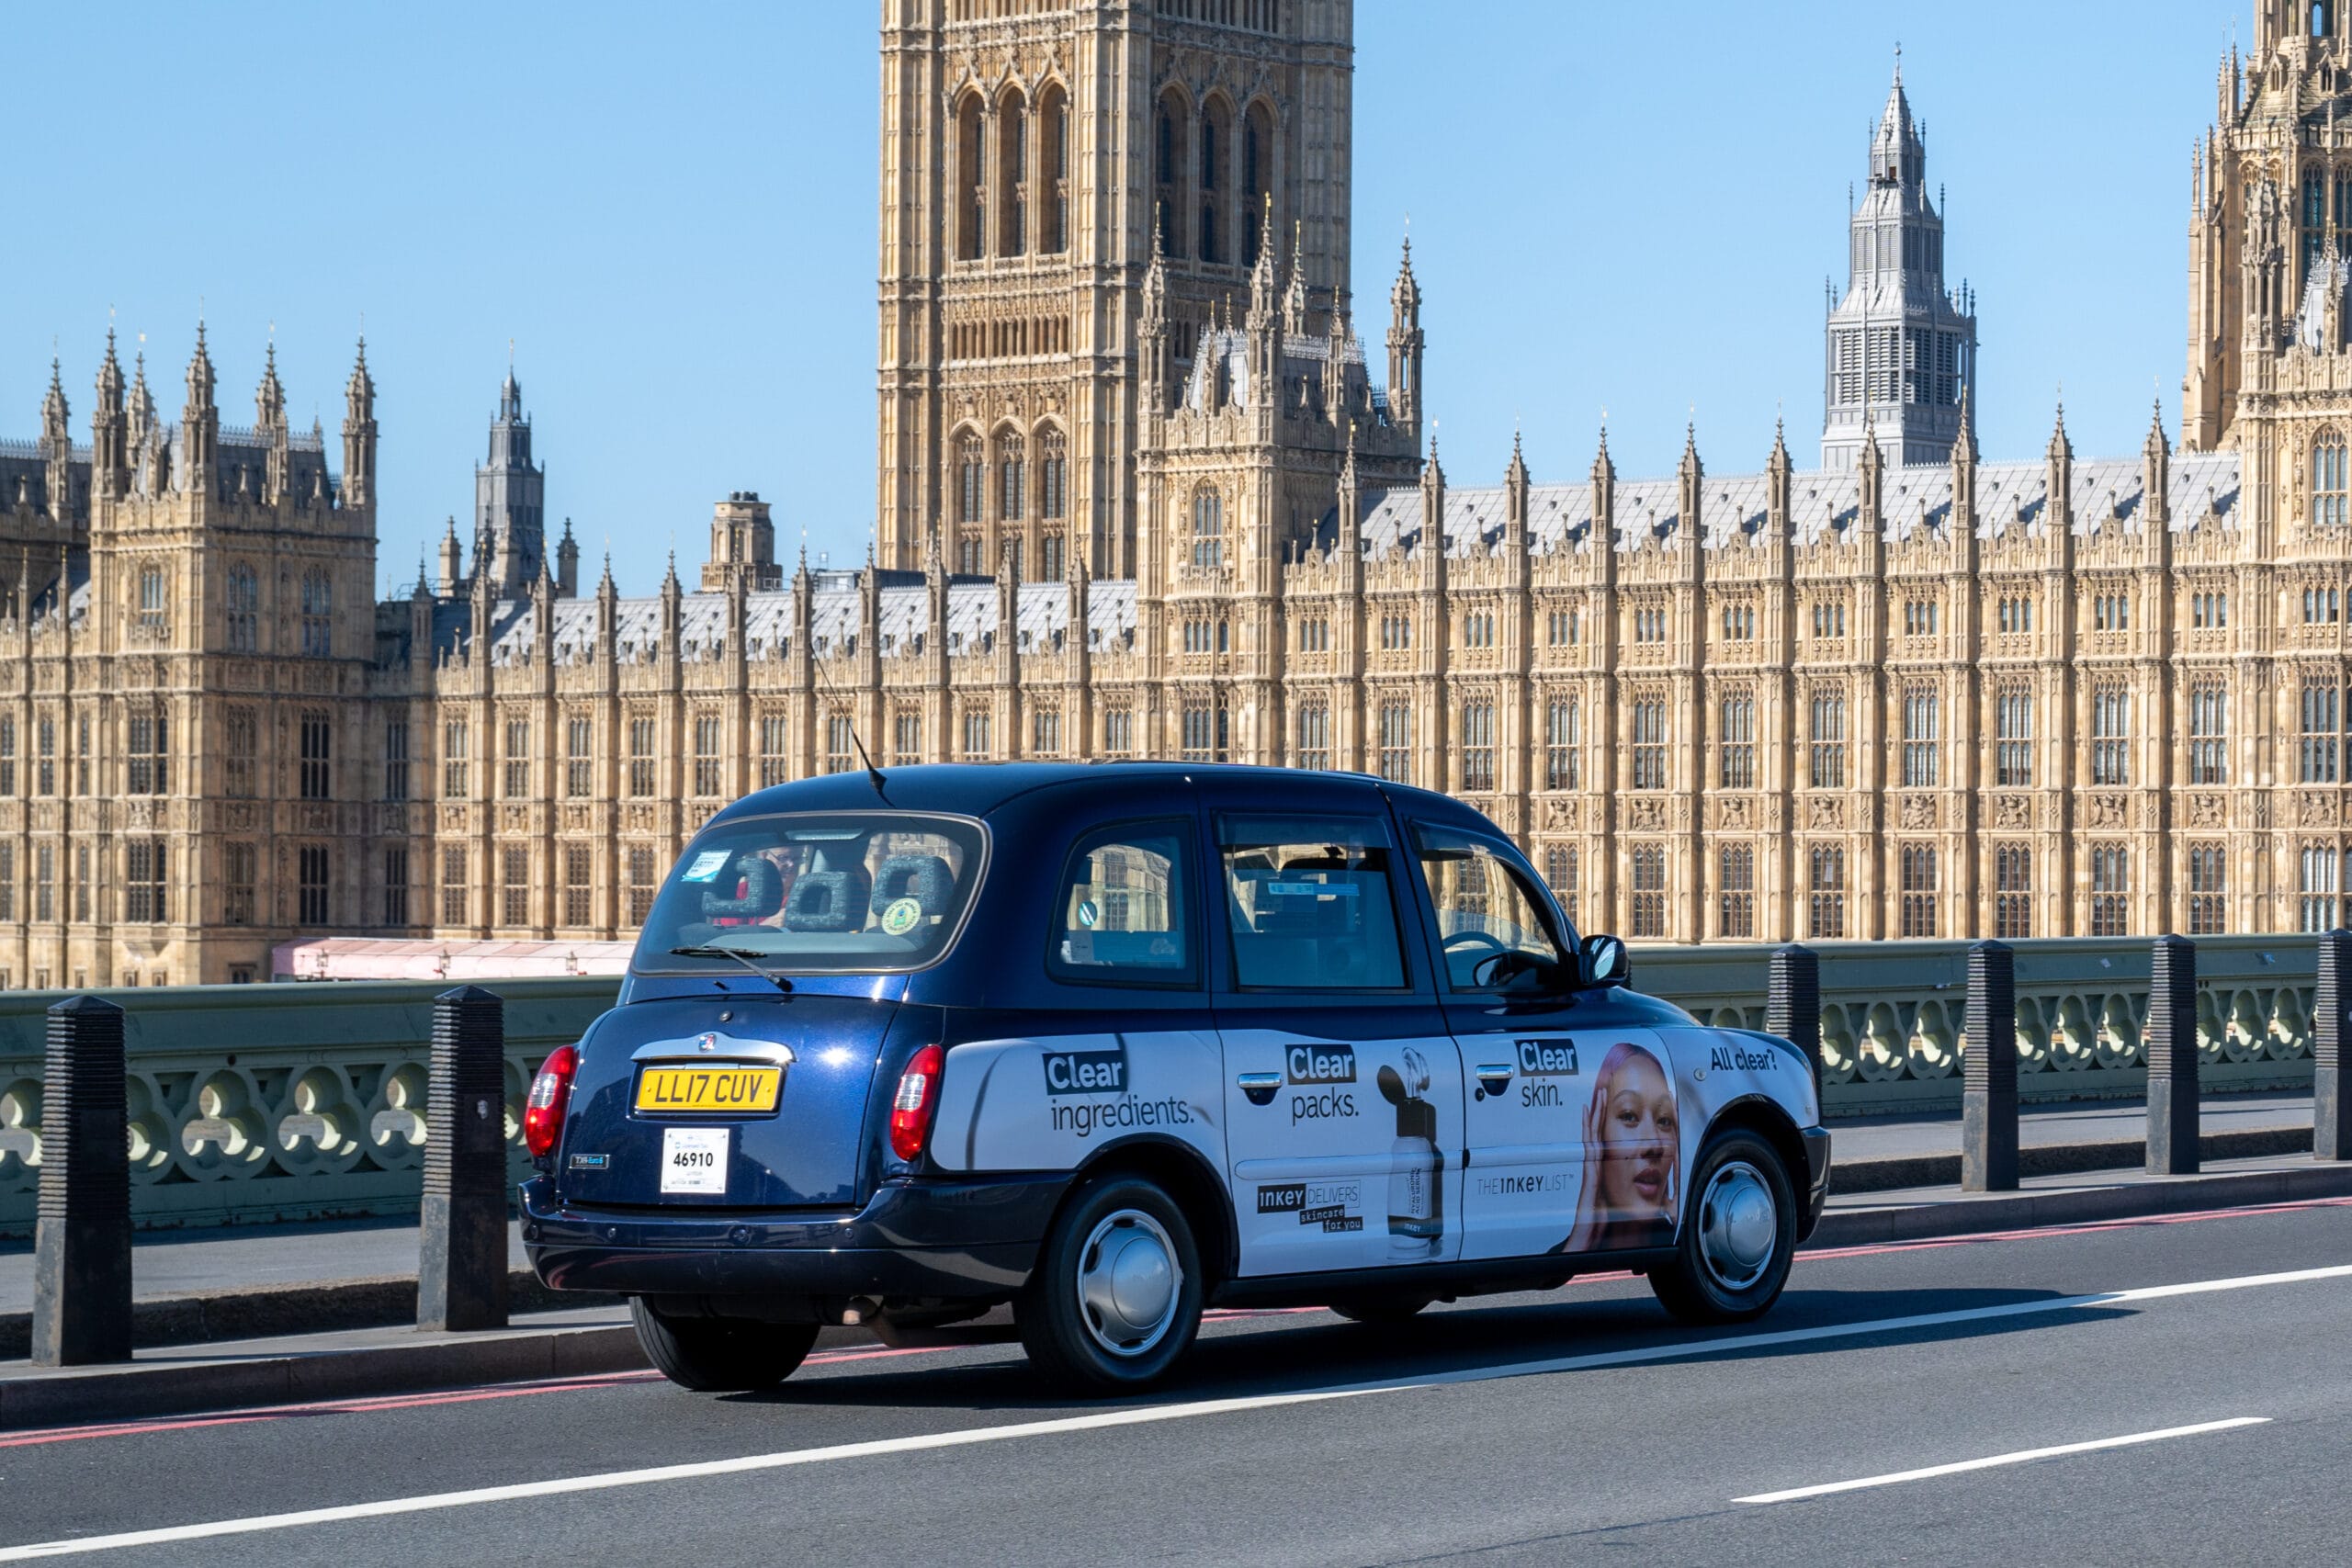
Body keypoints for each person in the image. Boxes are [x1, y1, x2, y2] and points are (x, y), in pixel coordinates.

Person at [1562, 1041, 1679, 1253]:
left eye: (1663, 1120)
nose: (1654, 1144)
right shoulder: (1567, 1248)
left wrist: (1682, 1233)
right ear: (1598, 1135)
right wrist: (1579, 1241)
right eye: (1629, 1115)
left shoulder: (1690, 1243)